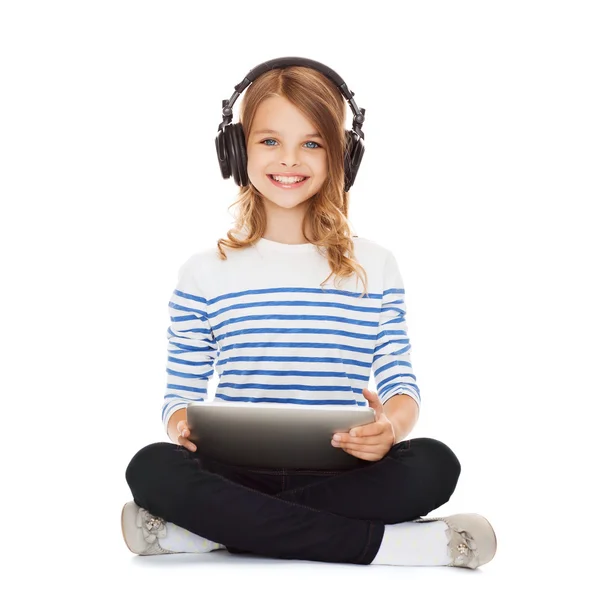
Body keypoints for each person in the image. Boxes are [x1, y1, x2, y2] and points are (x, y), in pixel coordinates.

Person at [121, 59, 497, 568]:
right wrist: (183, 426)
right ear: (237, 151)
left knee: (435, 463)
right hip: (234, 471)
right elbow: (179, 397)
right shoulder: (203, 272)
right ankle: (395, 547)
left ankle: (207, 534)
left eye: (313, 143)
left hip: (344, 472)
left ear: (342, 156)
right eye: (269, 141)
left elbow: (398, 378)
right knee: (151, 466)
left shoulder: (376, 265)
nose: (289, 160)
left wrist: (391, 427)